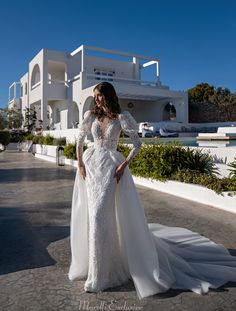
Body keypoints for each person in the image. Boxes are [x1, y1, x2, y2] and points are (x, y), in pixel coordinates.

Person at [68, 81, 236, 300]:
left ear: (108, 95)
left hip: (110, 168)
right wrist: (80, 163)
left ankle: (100, 275)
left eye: (99, 95)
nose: (96, 99)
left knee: (101, 216)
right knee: (94, 216)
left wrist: (122, 165)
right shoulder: (90, 115)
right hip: (91, 167)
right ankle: (96, 266)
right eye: (94, 96)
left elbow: (137, 144)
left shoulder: (122, 117)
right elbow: (80, 140)